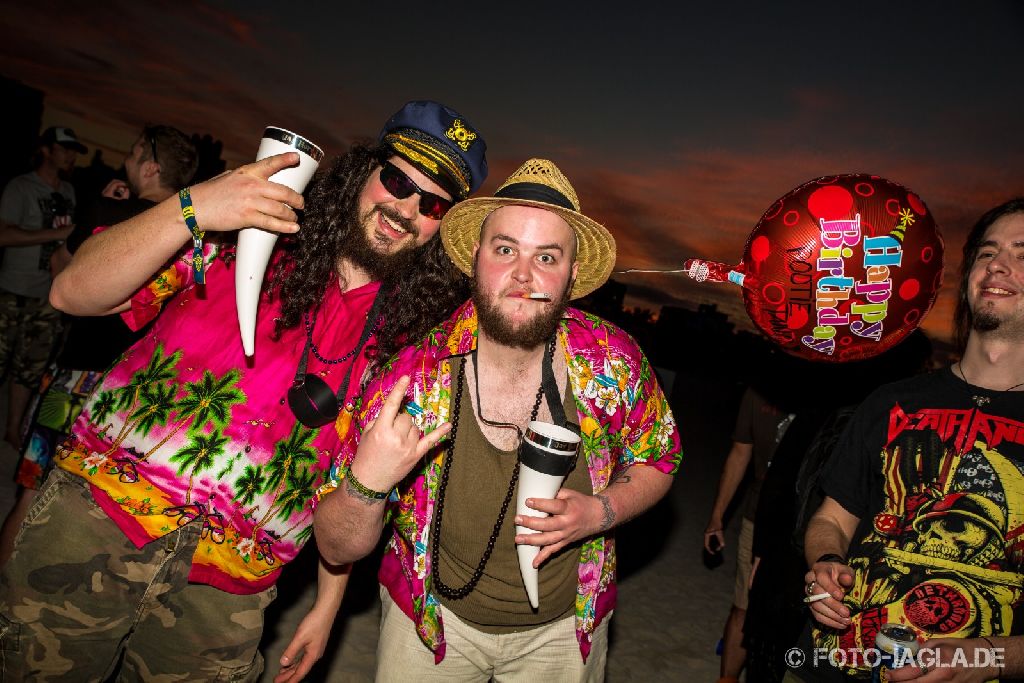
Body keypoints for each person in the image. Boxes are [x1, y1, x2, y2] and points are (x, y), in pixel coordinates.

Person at [0, 101, 487, 681]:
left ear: (443, 227)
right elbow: (72, 292)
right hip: (92, 525)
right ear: (363, 172)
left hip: (226, 596)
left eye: (431, 203)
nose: (404, 208)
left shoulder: (407, 351)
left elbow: (344, 505)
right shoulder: (237, 237)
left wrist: (328, 606)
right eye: (398, 180)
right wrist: (195, 206)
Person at [314, 158, 682, 681]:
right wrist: (365, 486)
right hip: (427, 624)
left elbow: (660, 459)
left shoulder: (613, 360)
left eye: (547, 257)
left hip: (562, 633)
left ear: (572, 275)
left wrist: (601, 512)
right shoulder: (412, 376)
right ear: (475, 258)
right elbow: (334, 545)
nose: (523, 275)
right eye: (505, 249)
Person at [790, 198, 1024, 681]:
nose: (999, 264)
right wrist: (826, 563)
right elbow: (832, 517)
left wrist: (982, 658)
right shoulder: (891, 400)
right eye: (988, 252)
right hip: (829, 665)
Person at [0, 125, 198, 567]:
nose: (125, 161)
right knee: (99, 517)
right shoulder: (193, 234)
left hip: (77, 377)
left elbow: (60, 273)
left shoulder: (112, 214)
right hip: (135, 394)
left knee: (31, 494)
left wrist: (97, 214)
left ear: (149, 168)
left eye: (131, 154)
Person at [0, 126, 84, 449]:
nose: (71, 155)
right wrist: (56, 235)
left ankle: (11, 430)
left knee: (30, 369)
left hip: (47, 296)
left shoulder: (69, 192)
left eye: (74, 150)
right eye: (65, 149)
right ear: (47, 150)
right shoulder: (20, 187)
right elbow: (4, 235)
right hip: (12, 291)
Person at [704, 385, 794, 683]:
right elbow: (741, 452)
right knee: (744, 603)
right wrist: (717, 516)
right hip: (759, 517)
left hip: (804, 525)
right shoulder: (758, 393)